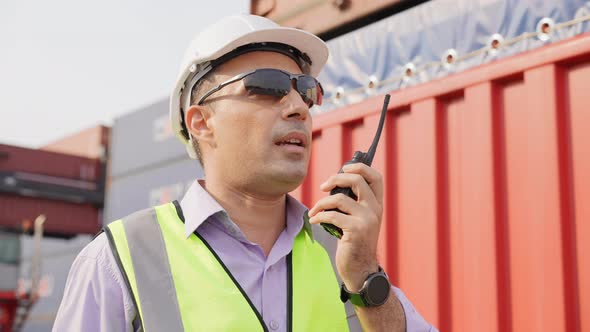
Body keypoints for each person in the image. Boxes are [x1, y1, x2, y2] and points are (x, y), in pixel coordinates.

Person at [53, 14, 437, 332]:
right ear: (202, 122)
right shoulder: (118, 261)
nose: (298, 108)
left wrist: (367, 279)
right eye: (266, 86)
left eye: (306, 91)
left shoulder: (346, 256)